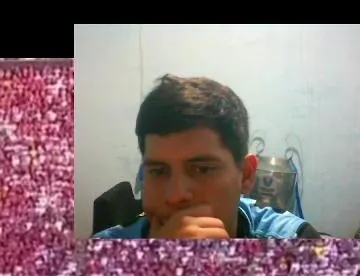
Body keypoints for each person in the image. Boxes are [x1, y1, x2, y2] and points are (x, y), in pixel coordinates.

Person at [93, 75, 320, 240]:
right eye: (158, 171)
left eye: (202, 169)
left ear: (246, 175)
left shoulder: (295, 242)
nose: (175, 195)